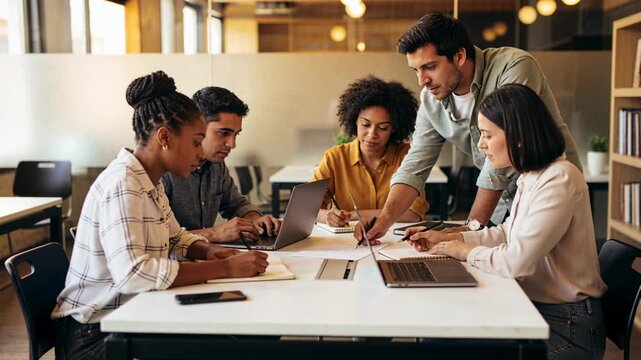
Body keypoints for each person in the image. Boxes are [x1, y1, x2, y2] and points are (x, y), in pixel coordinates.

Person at [51, 71, 269, 360]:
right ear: (164, 137)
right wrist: (225, 269)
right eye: (195, 142)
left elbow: (176, 237)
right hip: (96, 333)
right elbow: (134, 275)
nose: (199, 153)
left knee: (240, 334)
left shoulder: (149, 181)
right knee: (231, 344)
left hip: (135, 313)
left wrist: (209, 251)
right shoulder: (123, 184)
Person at [405, 84, 606, 360]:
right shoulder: (531, 175)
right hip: (537, 311)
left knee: (446, 347)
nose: (480, 144)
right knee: (439, 338)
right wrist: (450, 238)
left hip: (567, 328)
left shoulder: (559, 179)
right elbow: (506, 234)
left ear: (518, 137)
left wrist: (462, 252)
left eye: (487, 135)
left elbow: (517, 262)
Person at [358, 13, 582, 242]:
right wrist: (384, 220)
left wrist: (470, 228)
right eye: (415, 70)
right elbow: (415, 164)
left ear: (459, 56)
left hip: (549, 193)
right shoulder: (431, 99)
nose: (422, 80)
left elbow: (503, 154)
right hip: (500, 208)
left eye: (430, 67)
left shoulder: (513, 67)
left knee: (541, 272)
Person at [162, 86, 281, 243]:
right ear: (197, 127)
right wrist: (214, 234)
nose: (232, 144)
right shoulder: (164, 171)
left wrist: (255, 219)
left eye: (235, 134)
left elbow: (235, 204)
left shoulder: (216, 165)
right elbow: (157, 239)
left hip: (204, 258)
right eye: (224, 133)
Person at [311, 76, 429, 227]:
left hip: (395, 242)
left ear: (394, 128)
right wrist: (327, 216)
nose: (372, 134)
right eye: (365, 124)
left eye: (383, 128)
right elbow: (306, 209)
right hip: (346, 243)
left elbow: (413, 214)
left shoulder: (407, 156)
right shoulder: (335, 158)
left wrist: (354, 215)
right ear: (354, 120)